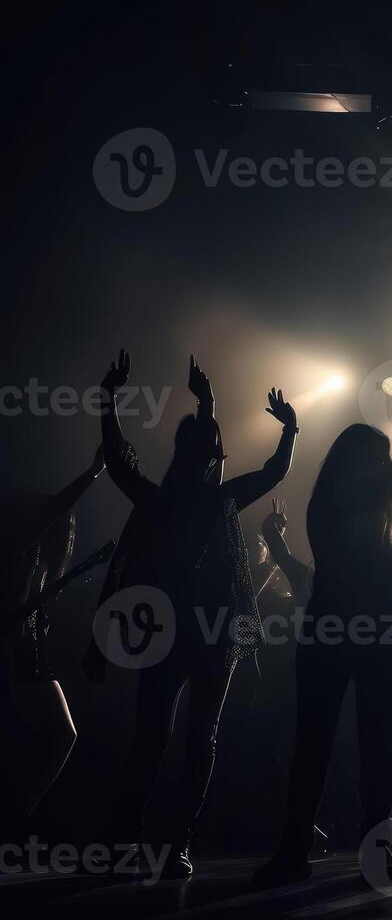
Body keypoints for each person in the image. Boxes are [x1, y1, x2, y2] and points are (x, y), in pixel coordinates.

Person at [92, 352, 296, 879]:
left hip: (206, 636)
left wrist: (111, 400)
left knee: (166, 738)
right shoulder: (204, 499)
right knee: (175, 738)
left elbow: (121, 465)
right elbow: (273, 470)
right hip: (191, 635)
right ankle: (155, 843)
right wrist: (276, 425)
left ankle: (148, 843)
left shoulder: (193, 499)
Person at [254, 352, 392, 887]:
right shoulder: (381, 497)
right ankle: (376, 854)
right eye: (381, 457)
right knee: (378, 742)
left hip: (329, 626)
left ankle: (293, 851)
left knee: (314, 740)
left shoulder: (323, 505)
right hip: (377, 625)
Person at [0, 448, 107, 832]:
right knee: (60, 735)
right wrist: (93, 473)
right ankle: (15, 817)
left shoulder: (36, 564)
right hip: (17, 657)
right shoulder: (20, 547)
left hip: (25, 656)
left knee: (58, 735)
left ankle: (15, 815)